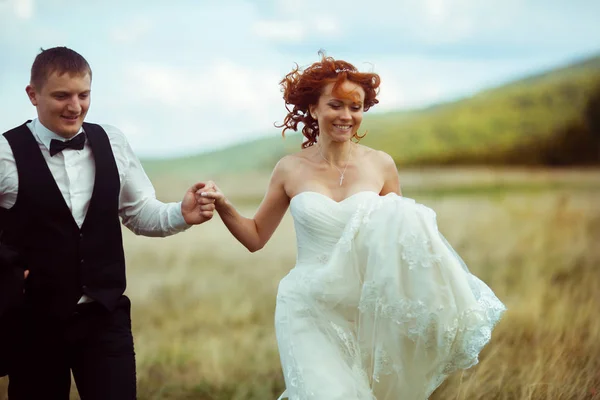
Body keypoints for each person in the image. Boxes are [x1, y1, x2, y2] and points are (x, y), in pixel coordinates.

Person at [199, 53, 506, 399]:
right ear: (313, 109)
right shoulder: (289, 169)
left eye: (356, 107)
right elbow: (255, 237)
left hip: (365, 316)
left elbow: (402, 242)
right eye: (336, 105)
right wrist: (224, 206)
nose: (347, 116)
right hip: (307, 310)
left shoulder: (382, 166)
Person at [0, 46, 216, 399]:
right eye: (62, 96)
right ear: (32, 95)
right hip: (32, 324)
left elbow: (138, 211)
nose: (75, 106)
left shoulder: (112, 142)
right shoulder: (5, 153)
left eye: (83, 95)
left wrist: (181, 213)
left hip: (105, 319)